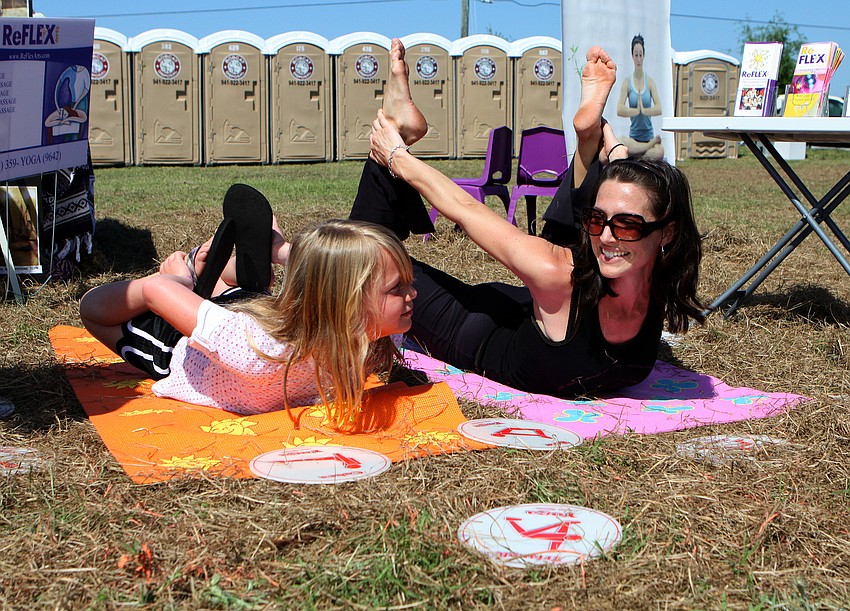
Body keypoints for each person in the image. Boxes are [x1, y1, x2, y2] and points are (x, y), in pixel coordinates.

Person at [350, 40, 704, 398]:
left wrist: (613, 152)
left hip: (542, 306)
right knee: (360, 259)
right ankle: (400, 131)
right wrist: (396, 156)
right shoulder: (558, 273)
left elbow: (628, 194)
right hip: (472, 325)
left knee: (598, 221)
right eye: (596, 220)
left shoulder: (661, 276)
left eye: (627, 226)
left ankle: (589, 143)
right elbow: (467, 211)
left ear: (667, 234)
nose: (609, 237)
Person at [79, 187, 416, 429]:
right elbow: (145, 293)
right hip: (185, 348)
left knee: (233, 296)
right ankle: (192, 275)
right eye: (397, 287)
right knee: (94, 312)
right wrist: (177, 283)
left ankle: (268, 258)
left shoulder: (376, 336)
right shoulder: (258, 351)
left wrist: (290, 254)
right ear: (346, 303)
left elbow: (330, 280)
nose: (412, 294)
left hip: (253, 310)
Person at [616, 34, 664, 160]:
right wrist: (635, 111)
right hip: (633, 140)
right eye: (636, 55)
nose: (638, 59)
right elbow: (619, 109)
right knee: (621, 142)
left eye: (640, 55)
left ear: (644, 56)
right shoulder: (627, 82)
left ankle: (640, 152)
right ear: (632, 56)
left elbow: (659, 108)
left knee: (659, 152)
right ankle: (647, 148)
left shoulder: (650, 82)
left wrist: (645, 110)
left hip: (648, 136)